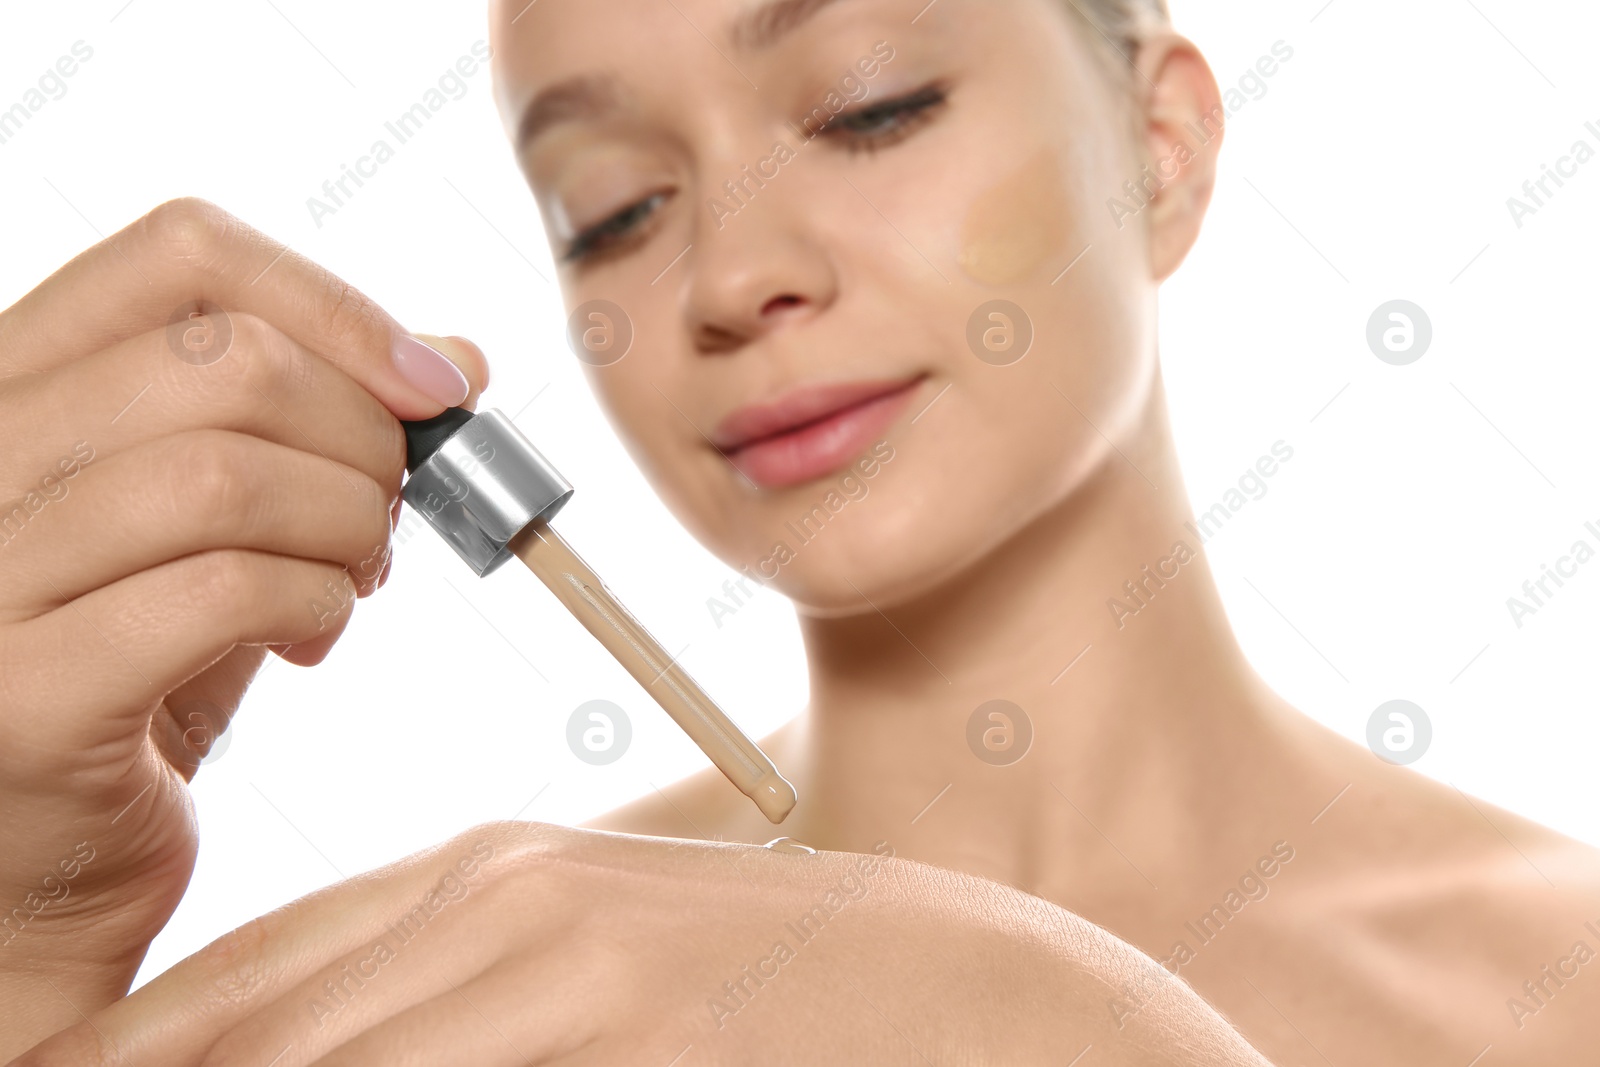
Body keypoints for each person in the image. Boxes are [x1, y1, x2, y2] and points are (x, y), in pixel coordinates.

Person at [3, 0, 1596, 1063]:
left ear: (1157, 148)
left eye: (868, 107)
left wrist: (1080, 1029)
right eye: (613, 207)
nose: (723, 275)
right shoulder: (478, 981)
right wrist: (27, 953)